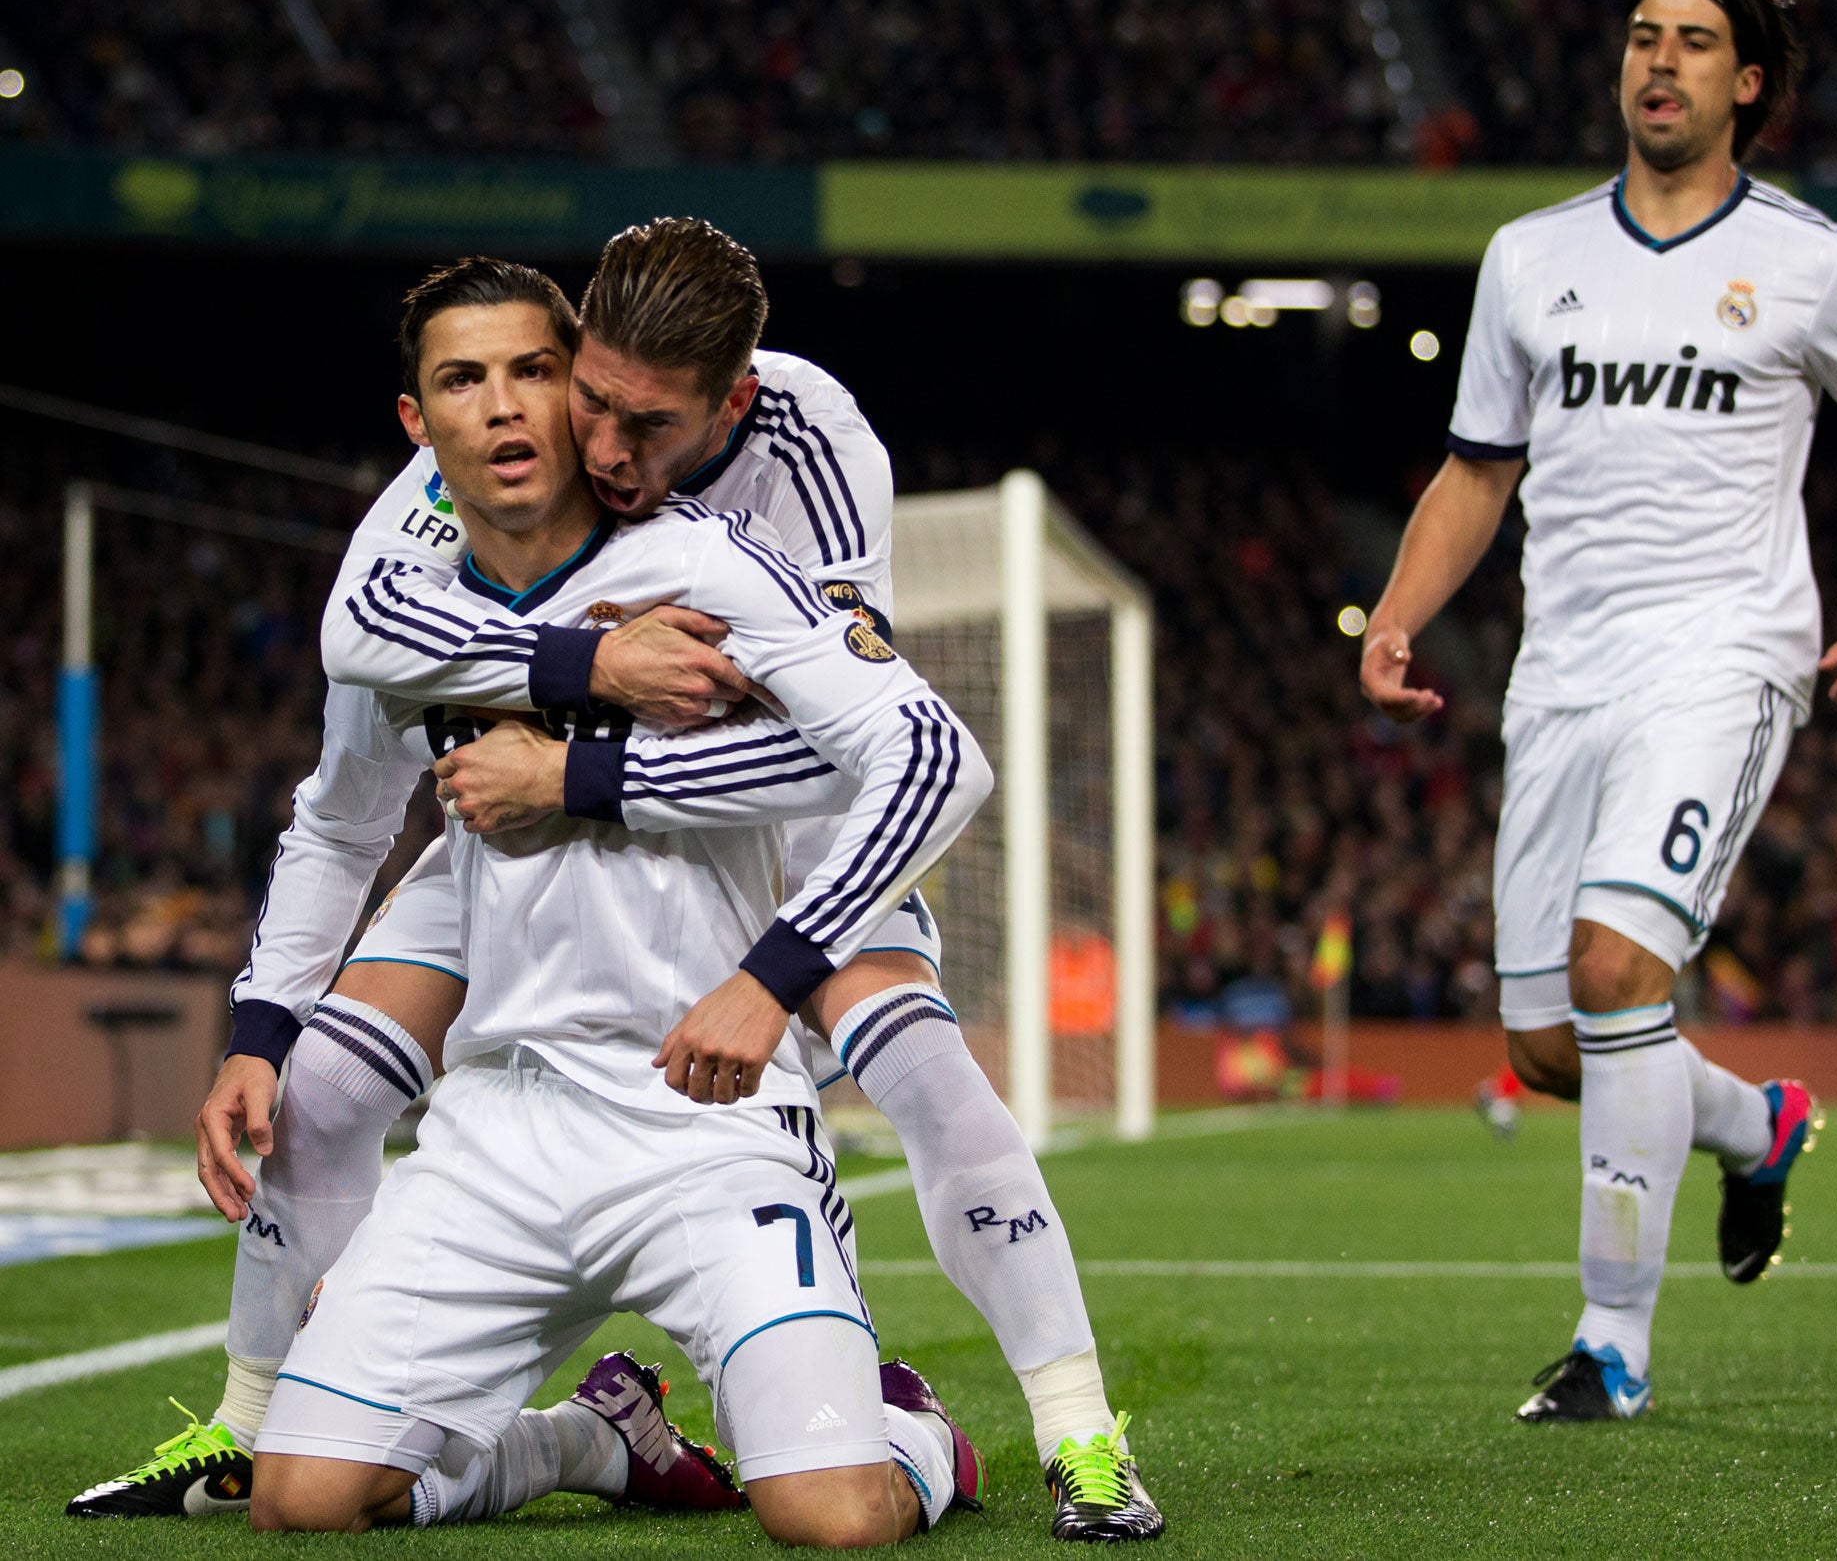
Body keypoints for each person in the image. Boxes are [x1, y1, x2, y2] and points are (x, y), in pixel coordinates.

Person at [74, 222, 1161, 1542]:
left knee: (924, 1066)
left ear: (731, 403)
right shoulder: (463, 476)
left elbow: (847, 748)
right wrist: (578, 675)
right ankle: (264, 1426)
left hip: (756, 827)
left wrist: (597, 790)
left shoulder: (794, 467)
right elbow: (359, 668)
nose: (602, 448)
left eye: (647, 424)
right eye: (585, 397)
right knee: (320, 1077)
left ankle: (1072, 1425)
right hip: (515, 838)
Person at [241, 259, 990, 1542]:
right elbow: (335, 816)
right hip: (493, 1129)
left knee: (835, 1521)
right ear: (419, 427)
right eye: (462, 382)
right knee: (301, 1503)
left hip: (706, 1123)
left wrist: (771, 980)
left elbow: (933, 756)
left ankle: (910, 1430)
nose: (506, 409)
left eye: (535, 372)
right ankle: (585, 1442)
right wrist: (260, 1028)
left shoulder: (713, 569)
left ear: (577, 380)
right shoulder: (396, 616)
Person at [1359, 0, 1837, 1421]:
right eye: (1643, 34)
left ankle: (1610, 1341)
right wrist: (1394, 613)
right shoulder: (1529, 256)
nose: (1660, 60)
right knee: (1549, 1043)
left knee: (1619, 971)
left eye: (1694, 39)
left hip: (1726, 655)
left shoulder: (1814, 262)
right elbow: (1475, 474)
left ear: (1746, 81)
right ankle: (1760, 1125)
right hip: (1563, 671)